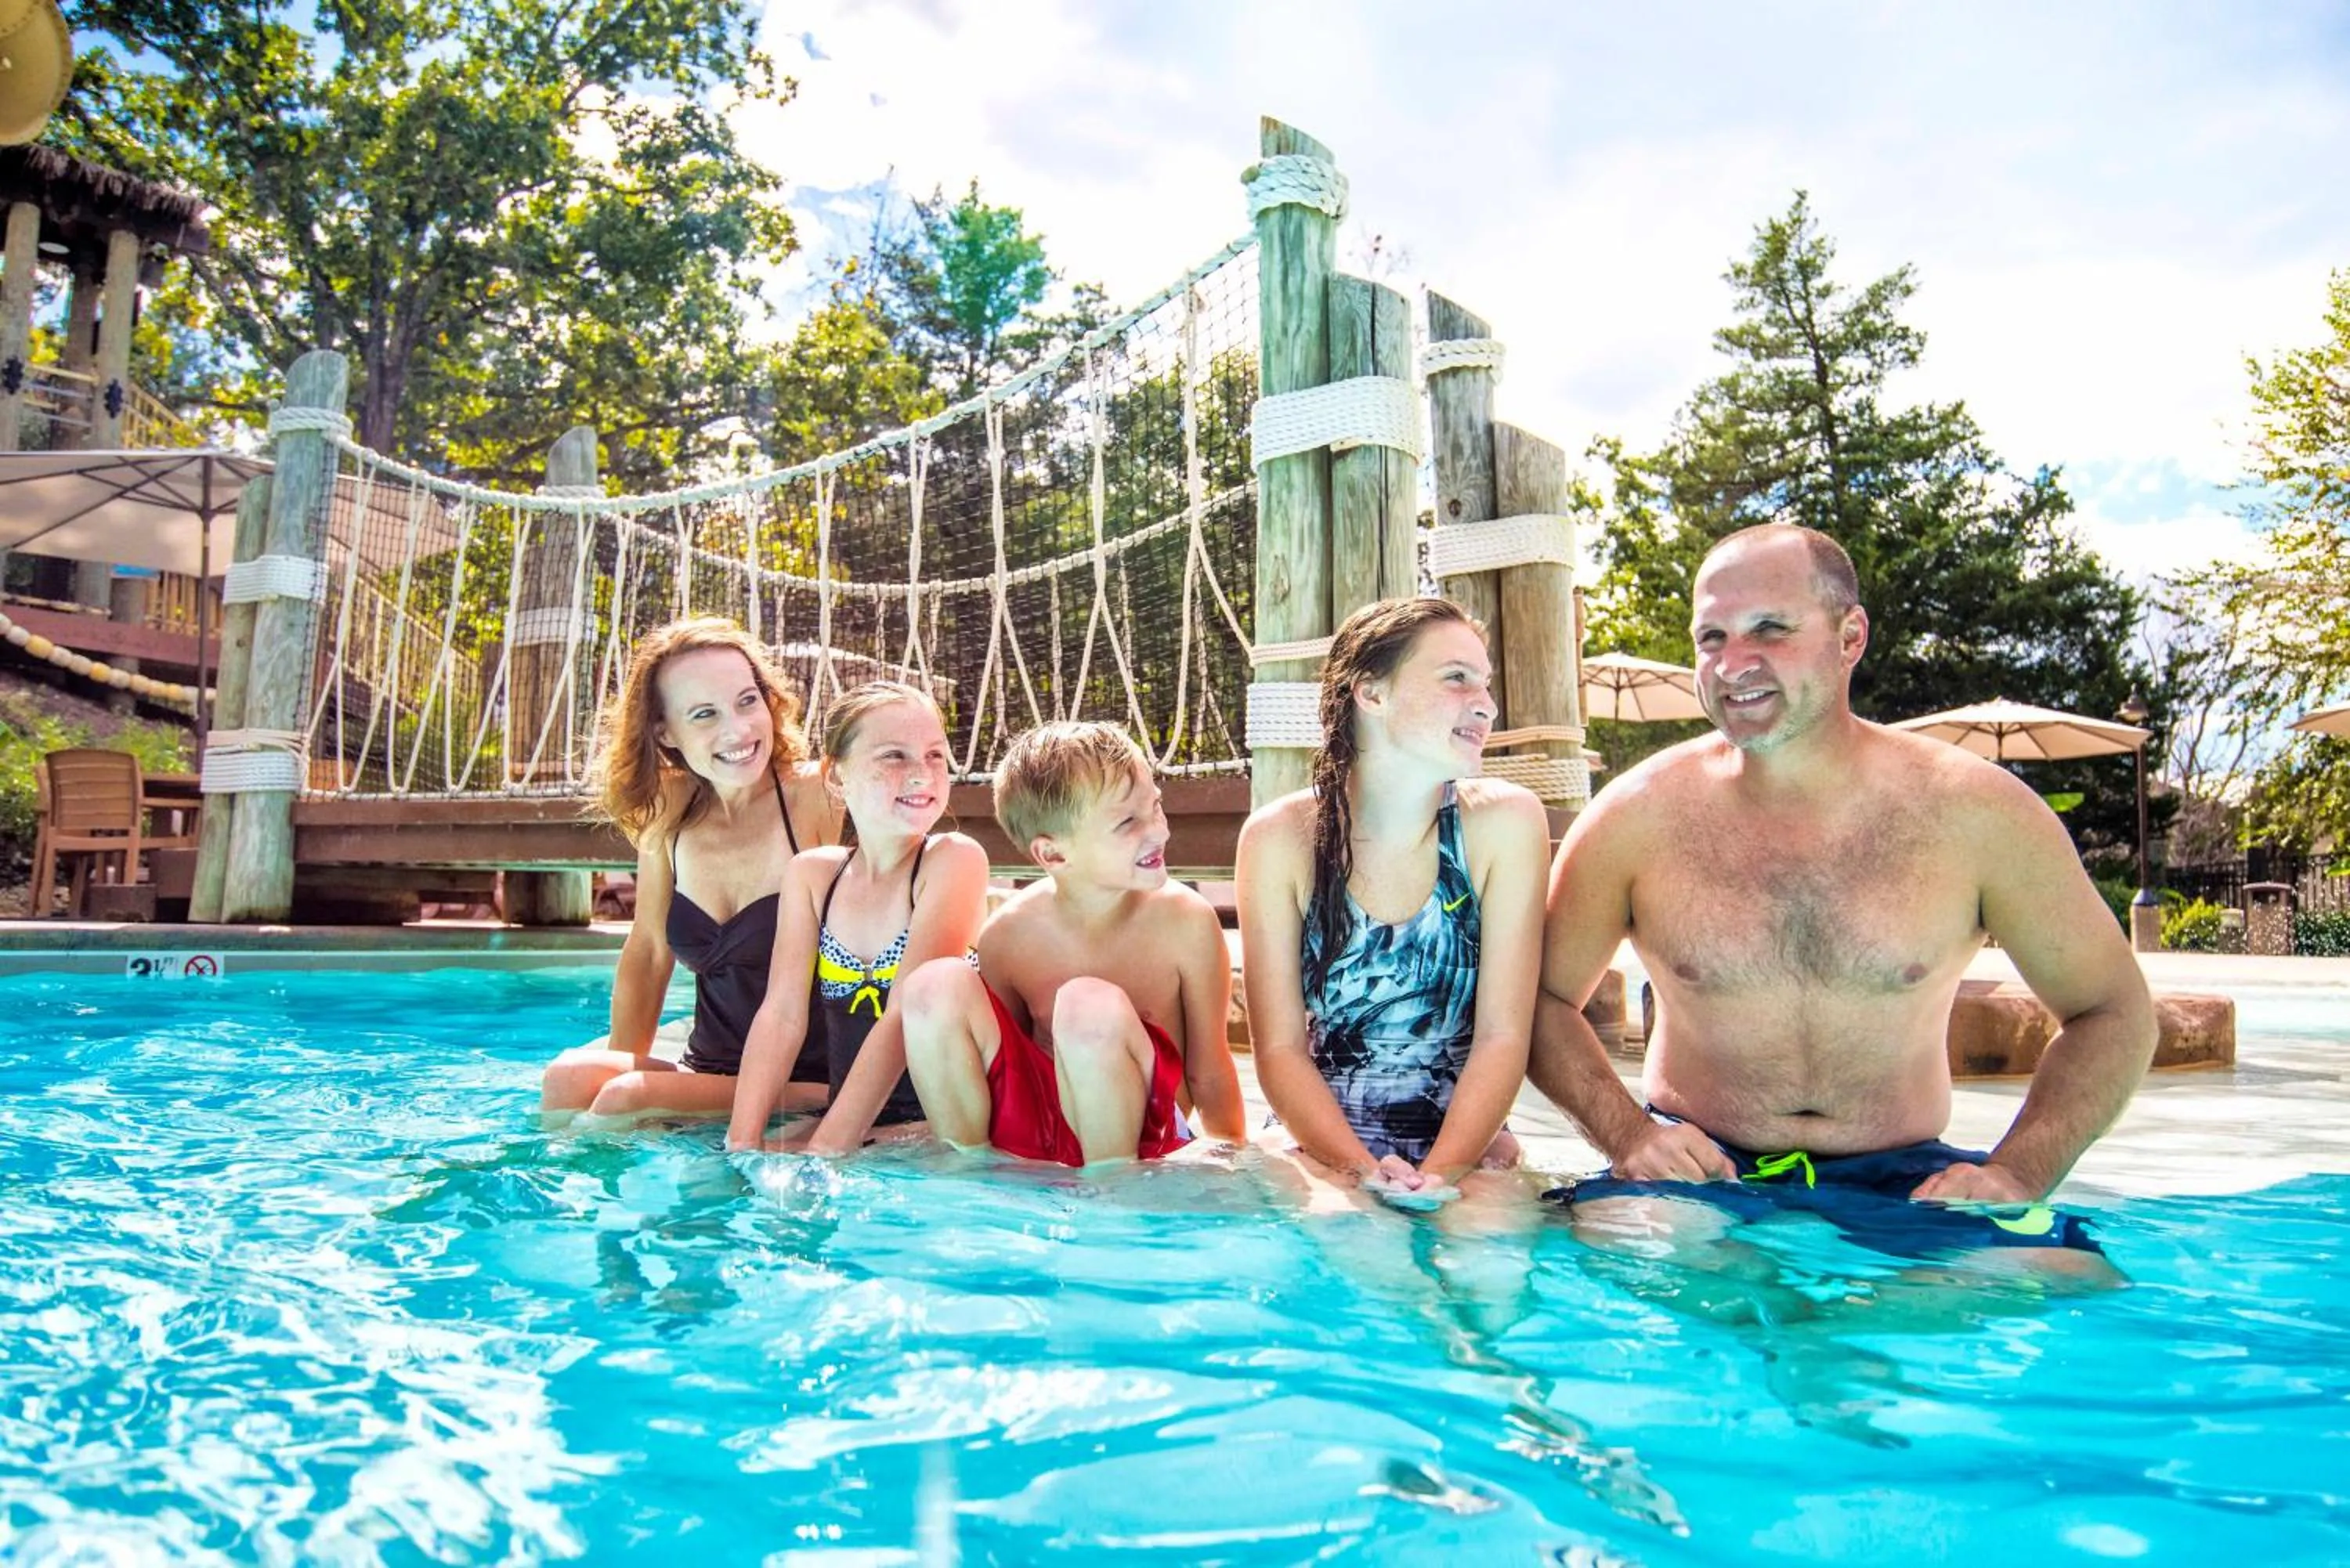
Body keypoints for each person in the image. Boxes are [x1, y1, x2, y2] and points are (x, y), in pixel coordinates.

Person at [1529, 522, 2156, 1259]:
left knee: (2060, 1272)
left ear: (1850, 636)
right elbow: (1540, 1000)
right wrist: (1629, 1136)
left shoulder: (1977, 814)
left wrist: (2019, 1170)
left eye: (1770, 629)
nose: (1734, 664)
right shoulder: (1633, 817)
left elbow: (2112, 1012)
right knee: (1654, 1245)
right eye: (1711, 638)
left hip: (1906, 1178)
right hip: (1695, 1179)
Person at [1235, 597, 1549, 1194]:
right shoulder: (1282, 840)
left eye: (1485, 684)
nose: (1486, 704)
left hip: (1468, 1143)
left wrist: (1443, 1172)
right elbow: (1278, 1049)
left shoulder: (1504, 825)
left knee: (1489, 1263)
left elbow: (1503, 1036)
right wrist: (1361, 1169)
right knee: (1360, 1250)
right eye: (1457, 678)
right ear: (1371, 694)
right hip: (1318, 1144)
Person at [896, 721, 1246, 1166]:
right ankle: (969, 1168)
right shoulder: (1008, 936)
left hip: (1143, 1144)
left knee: (1087, 1005)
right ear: (1054, 855)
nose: (1157, 831)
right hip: (1039, 1140)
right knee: (933, 984)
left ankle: (1110, 1192)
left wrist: (1233, 1158)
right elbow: (1004, 1066)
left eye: (1155, 807)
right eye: (1128, 822)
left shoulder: (1186, 921)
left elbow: (1209, 1069)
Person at [540, 617, 840, 1122]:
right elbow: (650, 951)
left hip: (807, 1078)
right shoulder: (670, 810)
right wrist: (621, 1060)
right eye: (705, 714)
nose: (738, 730)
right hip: (711, 1071)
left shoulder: (820, 796)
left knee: (625, 1099)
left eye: (748, 701)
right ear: (666, 732)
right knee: (568, 1078)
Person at [725, 682, 989, 1154]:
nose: (922, 775)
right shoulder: (813, 875)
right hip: (859, 1120)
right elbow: (781, 1015)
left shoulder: (952, 860)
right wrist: (741, 1142)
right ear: (835, 774)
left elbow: (899, 1018)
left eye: (934, 756)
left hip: (948, 1125)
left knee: (802, 1166)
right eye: (894, 756)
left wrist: (828, 1150)